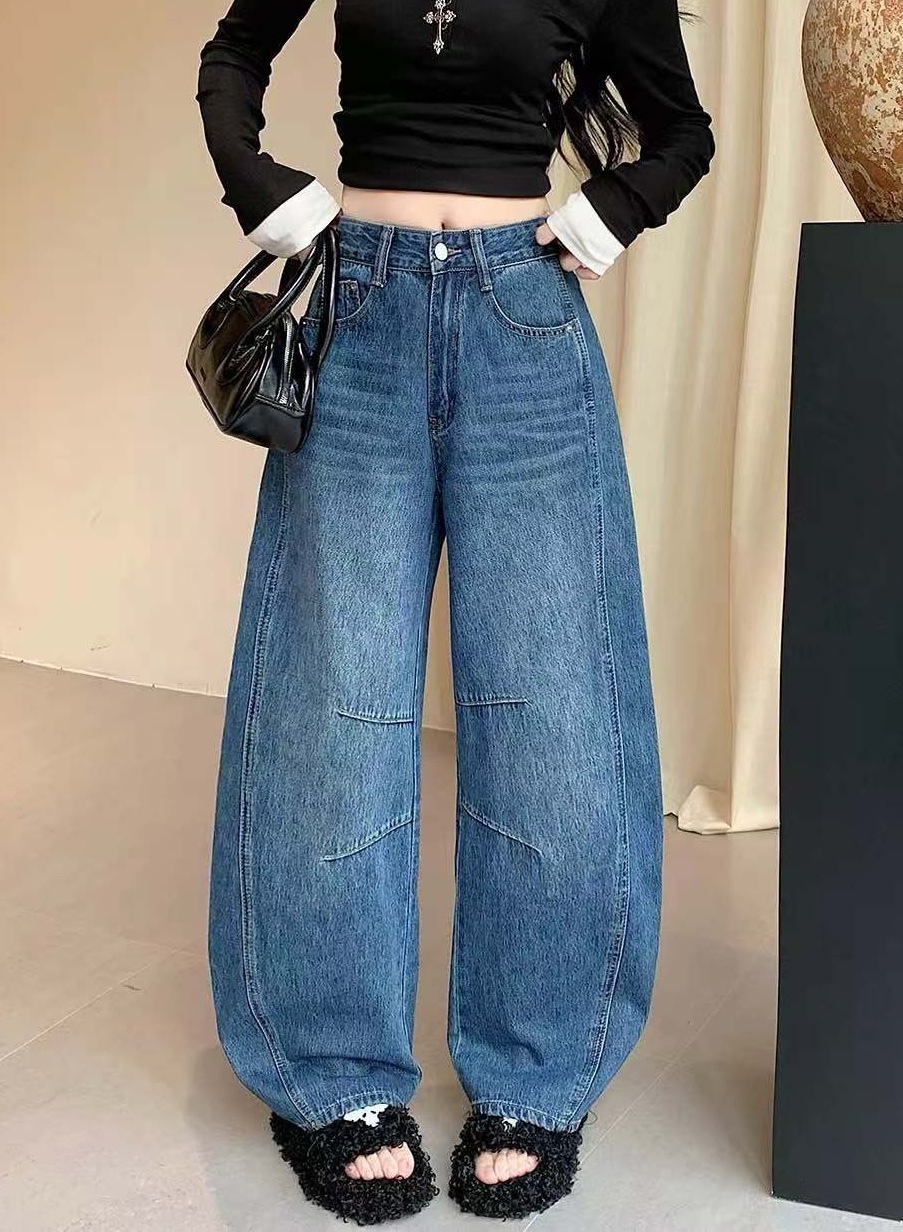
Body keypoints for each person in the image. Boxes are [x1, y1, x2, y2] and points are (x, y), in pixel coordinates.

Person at [195, 0, 715, 1222]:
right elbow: (233, 54)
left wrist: (612, 208)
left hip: (523, 318)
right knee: (330, 704)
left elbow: (682, 134)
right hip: (358, 314)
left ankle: (536, 1071)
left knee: (555, 711)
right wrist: (258, 183)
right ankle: (334, 1075)